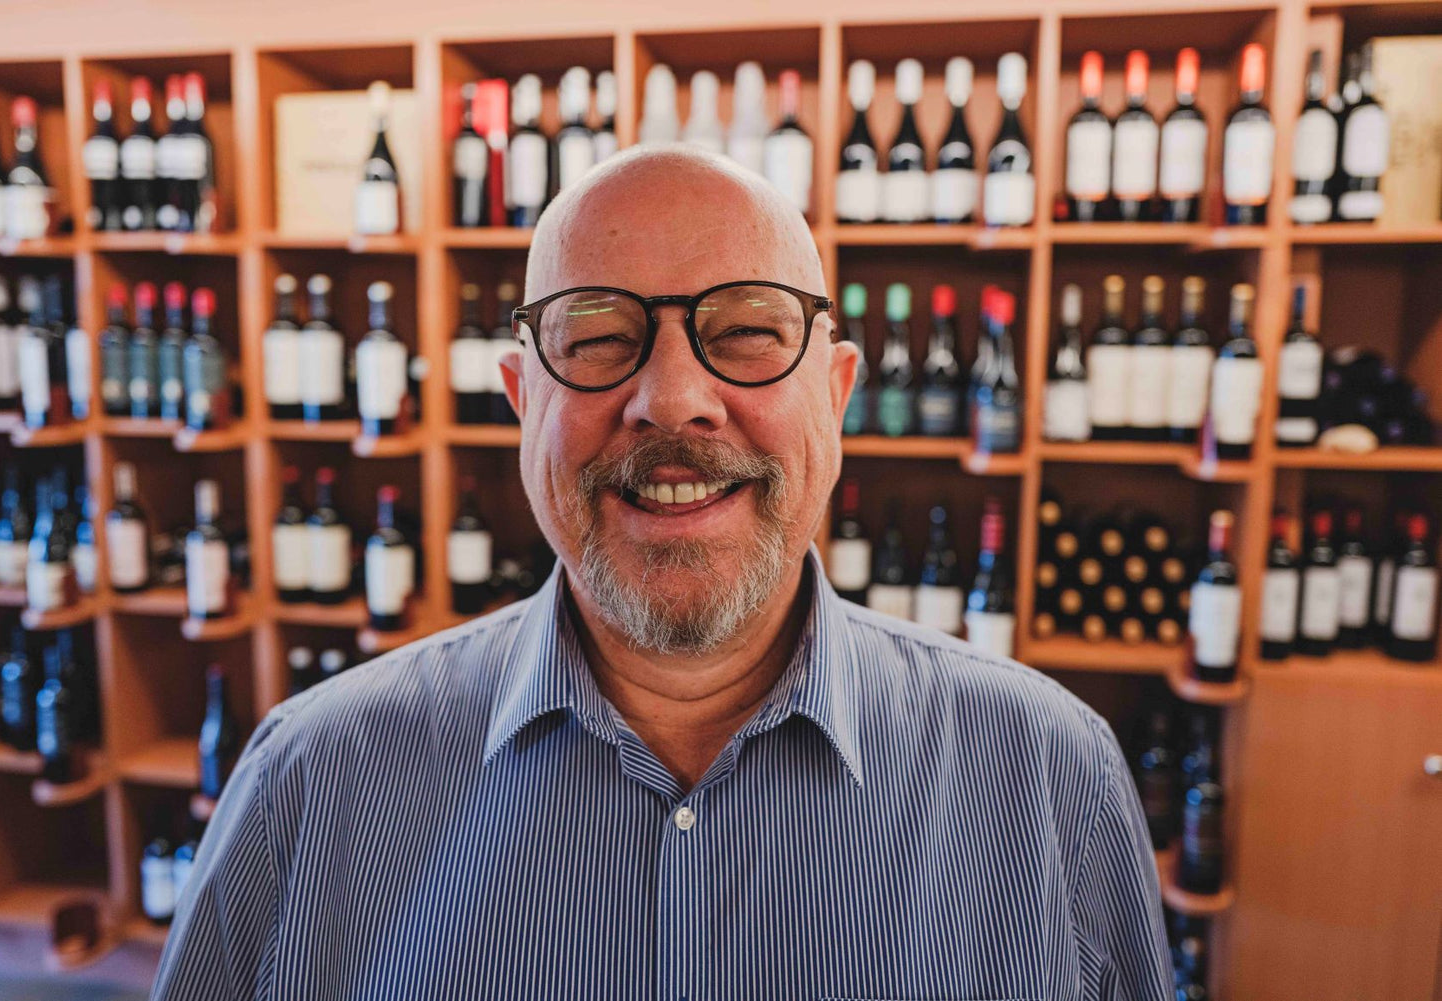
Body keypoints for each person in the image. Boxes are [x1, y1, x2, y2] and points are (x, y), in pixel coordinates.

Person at [152, 146, 1174, 1000]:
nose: (674, 397)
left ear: (839, 390)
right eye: (597, 338)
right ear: (520, 400)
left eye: (746, 333)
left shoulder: (1050, 779)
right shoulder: (312, 784)